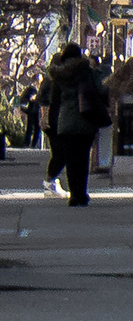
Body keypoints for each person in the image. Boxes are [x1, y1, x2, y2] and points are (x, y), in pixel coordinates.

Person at [35, 42, 108, 207]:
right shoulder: (88, 72)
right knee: (83, 158)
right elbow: (102, 90)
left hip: (65, 121)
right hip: (86, 120)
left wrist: (51, 121)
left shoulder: (58, 76)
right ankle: (81, 193)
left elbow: (54, 101)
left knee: (71, 159)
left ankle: (73, 194)